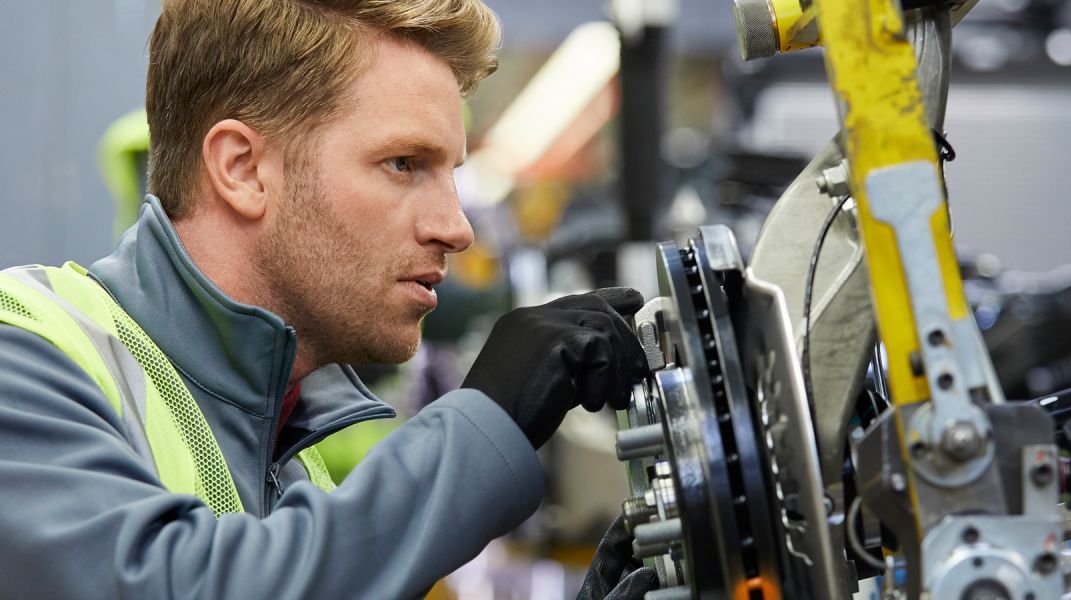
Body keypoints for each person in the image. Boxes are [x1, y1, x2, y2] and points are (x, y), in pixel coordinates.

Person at [0, 0, 652, 597]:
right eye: (403, 164)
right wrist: (487, 420)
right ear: (243, 169)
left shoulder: (298, 452)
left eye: (449, 174)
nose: (456, 228)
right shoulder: (22, 351)